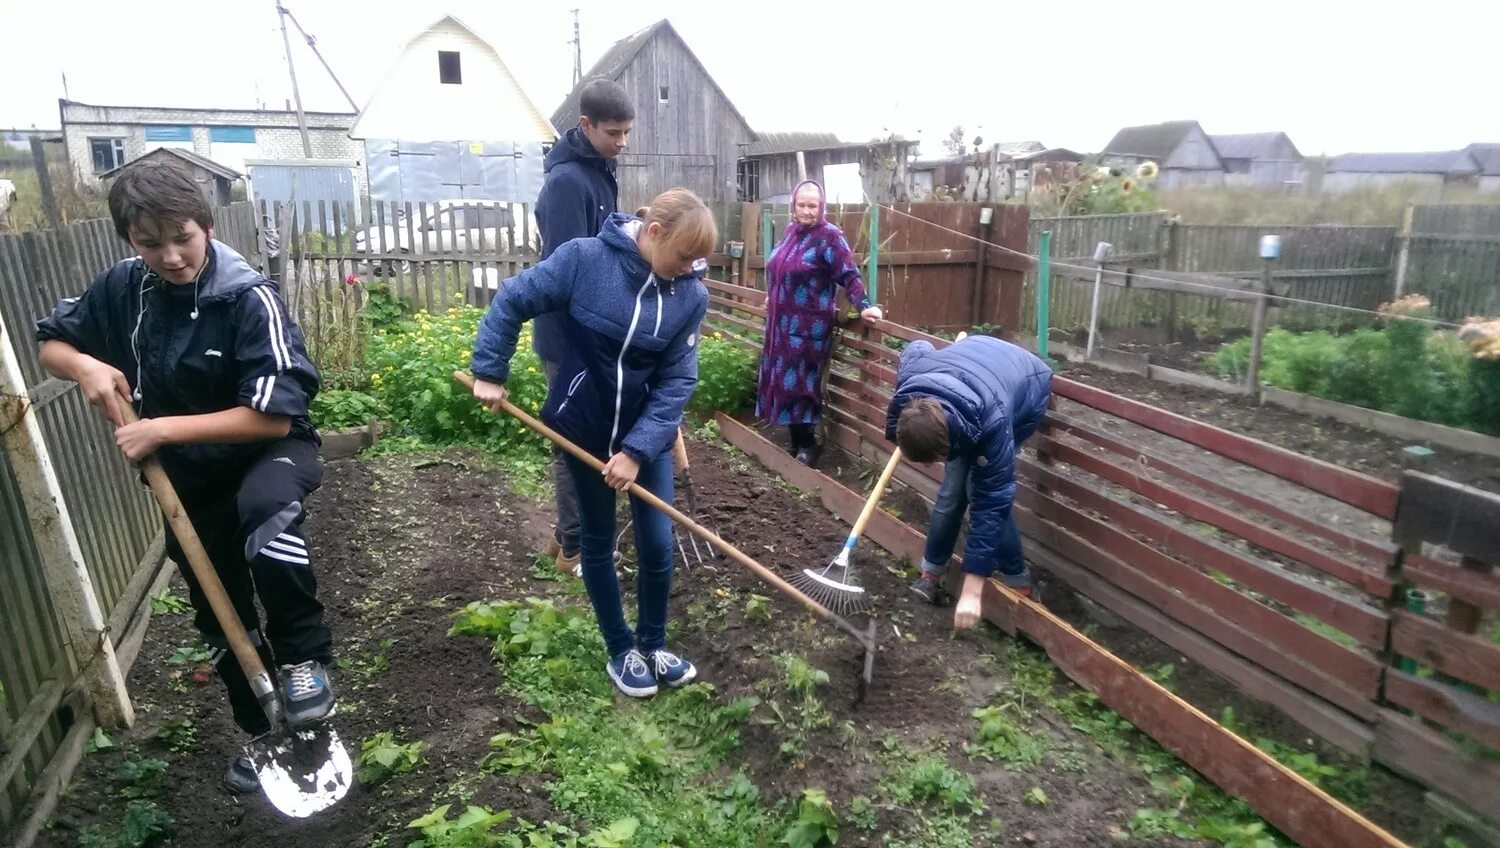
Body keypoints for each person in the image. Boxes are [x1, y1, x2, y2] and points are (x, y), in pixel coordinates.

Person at [35, 160, 333, 794]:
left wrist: (160, 430)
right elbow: (51, 345)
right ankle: (266, 731)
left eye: (183, 238)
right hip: (190, 484)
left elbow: (273, 420)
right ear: (129, 241)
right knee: (216, 604)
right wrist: (85, 365)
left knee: (266, 513)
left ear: (208, 224)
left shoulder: (248, 298)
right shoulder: (123, 289)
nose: (171, 256)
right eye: (150, 244)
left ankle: (304, 660)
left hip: (266, 457)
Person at [469, 189, 713, 698]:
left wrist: (637, 450)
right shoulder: (586, 260)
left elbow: (677, 382)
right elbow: (514, 297)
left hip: (646, 435)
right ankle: (621, 650)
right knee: (599, 540)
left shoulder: (690, 293)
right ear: (654, 233)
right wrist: (490, 369)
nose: (692, 268)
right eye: (684, 256)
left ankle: (653, 644)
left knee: (657, 542)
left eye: (697, 260)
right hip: (582, 426)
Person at [531, 78, 635, 575]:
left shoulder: (599, 171)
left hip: (594, 329)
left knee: (587, 436)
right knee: (578, 442)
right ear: (586, 125)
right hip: (571, 334)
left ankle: (563, 538)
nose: (622, 142)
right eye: (613, 132)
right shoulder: (567, 183)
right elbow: (564, 269)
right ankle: (578, 547)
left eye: (627, 133)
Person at [885, 332, 1053, 628]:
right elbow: (916, 348)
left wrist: (972, 592)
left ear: (949, 442)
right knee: (952, 490)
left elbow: (993, 501)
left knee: (978, 490)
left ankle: (1020, 584)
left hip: (1025, 384)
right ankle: (932, 573)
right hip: (974, 367)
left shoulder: (993, 421)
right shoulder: (911, 384)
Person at [755, 179, 882, 465]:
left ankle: (808, 446)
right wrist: (772, 295)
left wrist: (864, 306)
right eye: (802, 205)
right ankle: (794, 441)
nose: (807, 211)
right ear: (793, 205)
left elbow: (849, 274)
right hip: (780, 324)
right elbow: (780, 268)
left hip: (807, 327)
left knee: (800, 383)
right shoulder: (791, 232)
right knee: (781, 381)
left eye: (812, 206)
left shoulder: (830, 237)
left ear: (821, 207)